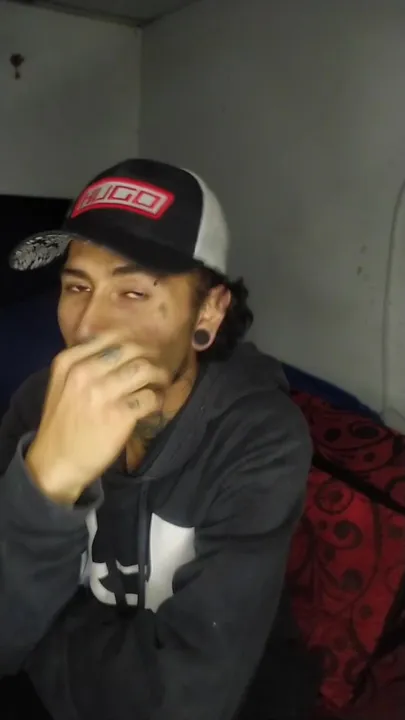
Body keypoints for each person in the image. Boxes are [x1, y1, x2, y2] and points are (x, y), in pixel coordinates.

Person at [0, 159, 313, 720]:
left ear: (209, 311)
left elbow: (182, 699)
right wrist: (48, 479)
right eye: (77, 286)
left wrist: (40, 631)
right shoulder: (36, 404)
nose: (87, 327)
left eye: (133, 292)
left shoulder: (261, 437)